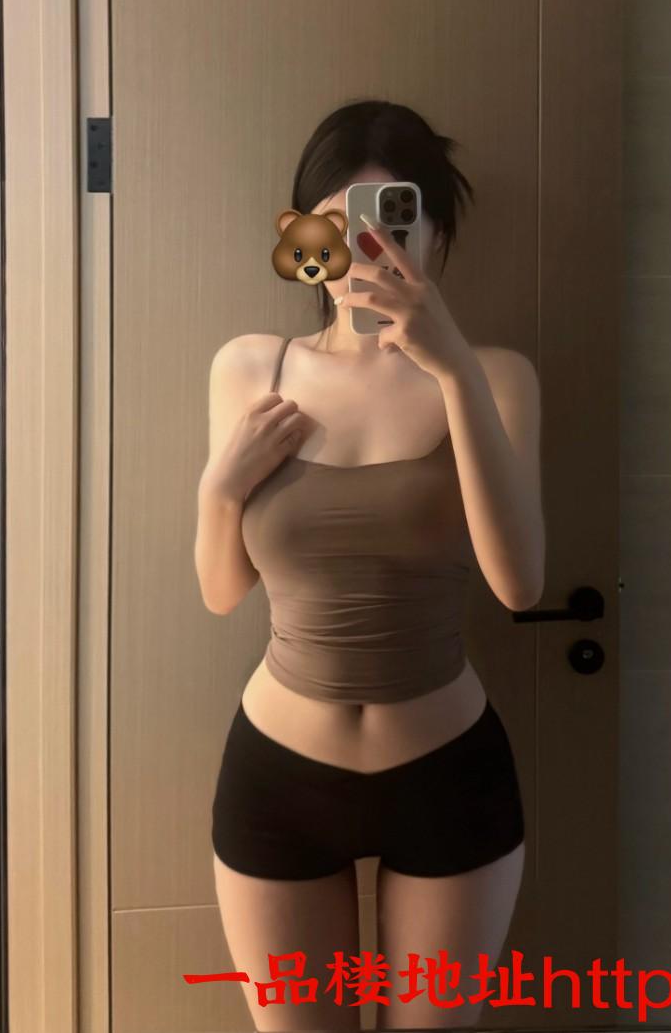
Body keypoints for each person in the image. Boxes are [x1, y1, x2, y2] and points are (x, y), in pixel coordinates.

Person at [196, 99, 545, 1031]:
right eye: (336, 225)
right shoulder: (251, 369)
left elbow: (520, 583)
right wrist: (221, 488)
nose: (366, 249)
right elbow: (221, 590)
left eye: (394, 220)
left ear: (436, 234)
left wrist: (453, 369)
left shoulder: (498, 376)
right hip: (277, 777)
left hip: (448, 773)